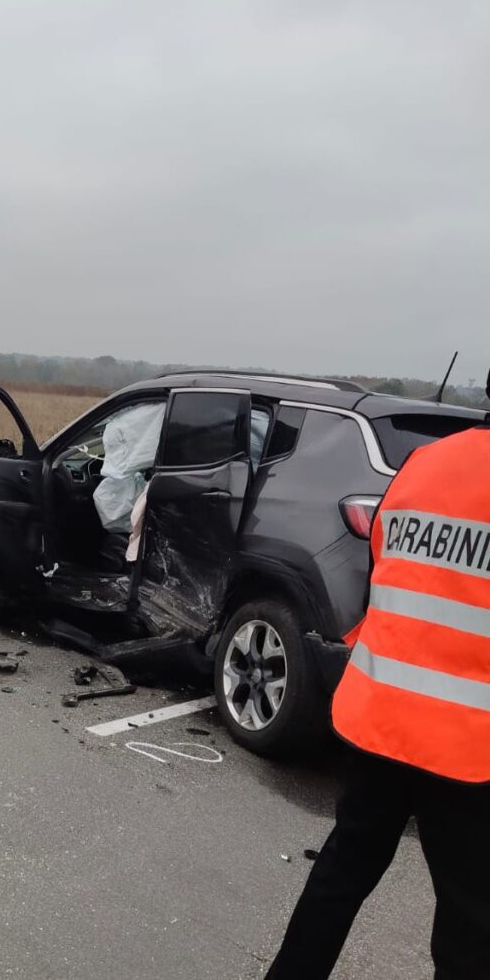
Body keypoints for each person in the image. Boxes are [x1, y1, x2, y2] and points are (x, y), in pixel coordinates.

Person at [265, 381, 490, 980]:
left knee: (342, 874)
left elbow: (388, 567)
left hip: (380, 713)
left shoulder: (425, 461)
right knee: (472, 920)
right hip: (466, 742)